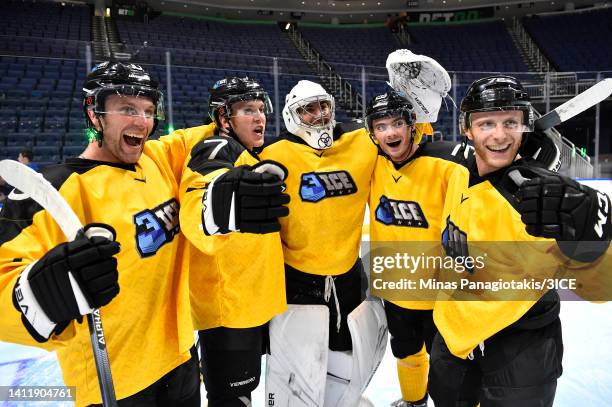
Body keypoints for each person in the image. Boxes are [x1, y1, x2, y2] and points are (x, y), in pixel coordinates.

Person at [0, 61, 285, 406]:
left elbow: (212, 146)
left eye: (148, 110)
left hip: (180, 362)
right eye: (127, 108)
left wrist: (218, 198)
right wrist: (42, 291)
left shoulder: (160, 157)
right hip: (117, 382)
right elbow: (6, 284)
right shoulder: (54, 190)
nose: (141, 122)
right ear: (95, 113)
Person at [429, 75, 612, 407]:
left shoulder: (540, 196)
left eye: (510, 122)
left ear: (525, 126)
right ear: (467, 130)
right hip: (452, 342)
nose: (499, 135)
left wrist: (592, 239)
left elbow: (602, 288)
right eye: (487, 123)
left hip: (519, 353)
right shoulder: (458, 172)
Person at [259, 80, 384, 407]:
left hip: (347, 277)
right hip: (295, 280)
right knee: (296, 367)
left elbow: (404, 135)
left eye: (323, 106)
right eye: (308, 109)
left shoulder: (362, 144)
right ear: (291, 115)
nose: (319, 114)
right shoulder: (271, 155)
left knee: (347, 357)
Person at [179, 76, 289, 407]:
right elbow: (207, 182)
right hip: (228, 308)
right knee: (232, 397)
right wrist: (218, 196)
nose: (259, 118)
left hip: (248, 304)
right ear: (224, 119)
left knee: (243, 389)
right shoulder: (218, 146)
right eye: (246, 110)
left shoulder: (250, 153)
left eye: (260, 109)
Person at [365, 90, 469, 407]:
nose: (390, 132)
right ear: (372, 133)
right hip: (398, 289)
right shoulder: (371, 163)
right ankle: (414, 402)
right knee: (407, 351)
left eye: (397, 123)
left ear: (412, 125)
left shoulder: (448, 161)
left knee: (453, 365)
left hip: (443, 293)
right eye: (381, 126)